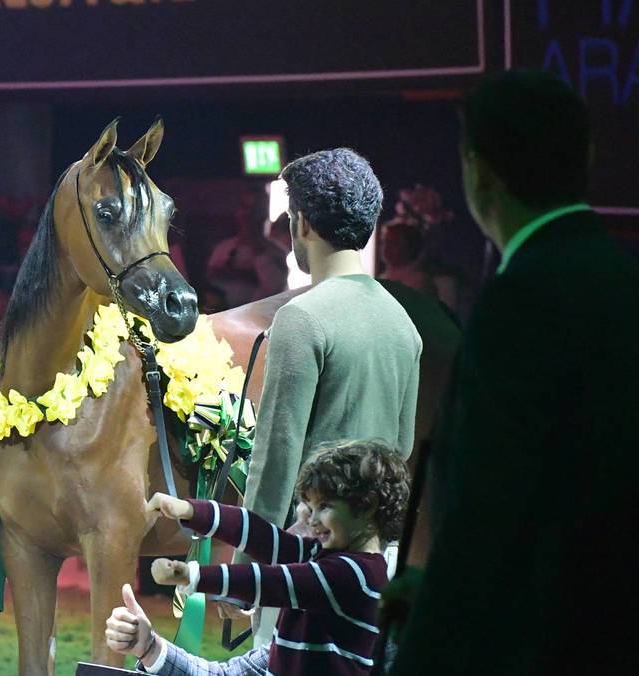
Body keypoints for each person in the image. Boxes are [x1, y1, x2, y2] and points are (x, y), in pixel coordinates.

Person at [388, 70, 639, 675]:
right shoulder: (621, 277)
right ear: (587, 156)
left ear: (477, 172)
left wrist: (426, 639)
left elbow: (489, 506)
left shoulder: (521, 297)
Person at [236, 149, 421, 642]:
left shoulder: (301, 318)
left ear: (301, 223)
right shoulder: (403, 324)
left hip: (305, 558)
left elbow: (276, 456)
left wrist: (245, 572)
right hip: (374, 562)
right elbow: (401, 450)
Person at [105, 440, 410, 675]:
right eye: (311, 507)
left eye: (325, 507)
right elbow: (262, 535)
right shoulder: (323, 560)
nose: (312, 520)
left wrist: (194, 576)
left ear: (368, 506)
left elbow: (271, 581)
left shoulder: (354, 575)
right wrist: (190, 511)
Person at [205, 187, 289, 307]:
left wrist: (257, 250)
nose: (248, 214)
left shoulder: (278, 253)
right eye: (244, 207)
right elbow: (210, 284)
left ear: (264, 213)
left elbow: (275, 289)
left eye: (255, 209)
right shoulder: (222, 249)